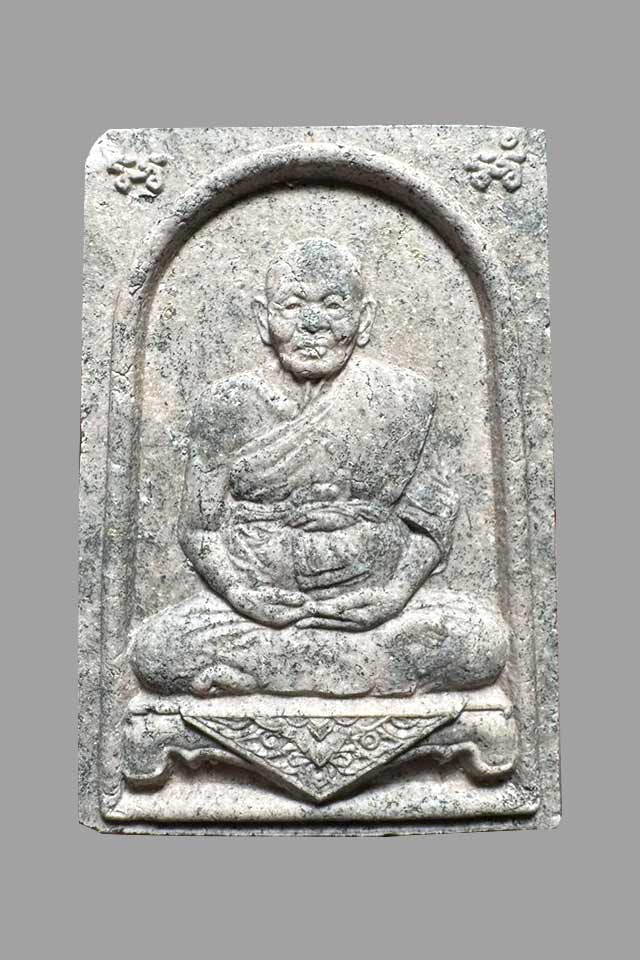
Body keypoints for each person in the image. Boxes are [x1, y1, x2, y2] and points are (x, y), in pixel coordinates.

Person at [131, 238, 508, 697]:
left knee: (481, 641)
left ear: (363, 320)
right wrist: (241, 595)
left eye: (332, 306)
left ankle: (276, 676)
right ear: (264, 319)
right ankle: (356, 675)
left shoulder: (404, 399)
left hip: (376, 609)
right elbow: (198, 530)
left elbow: (431, 523)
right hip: (256, 613)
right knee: (157, 651)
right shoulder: (226, 405)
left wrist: (393, 596)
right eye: (292, 306)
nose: (313, 324)